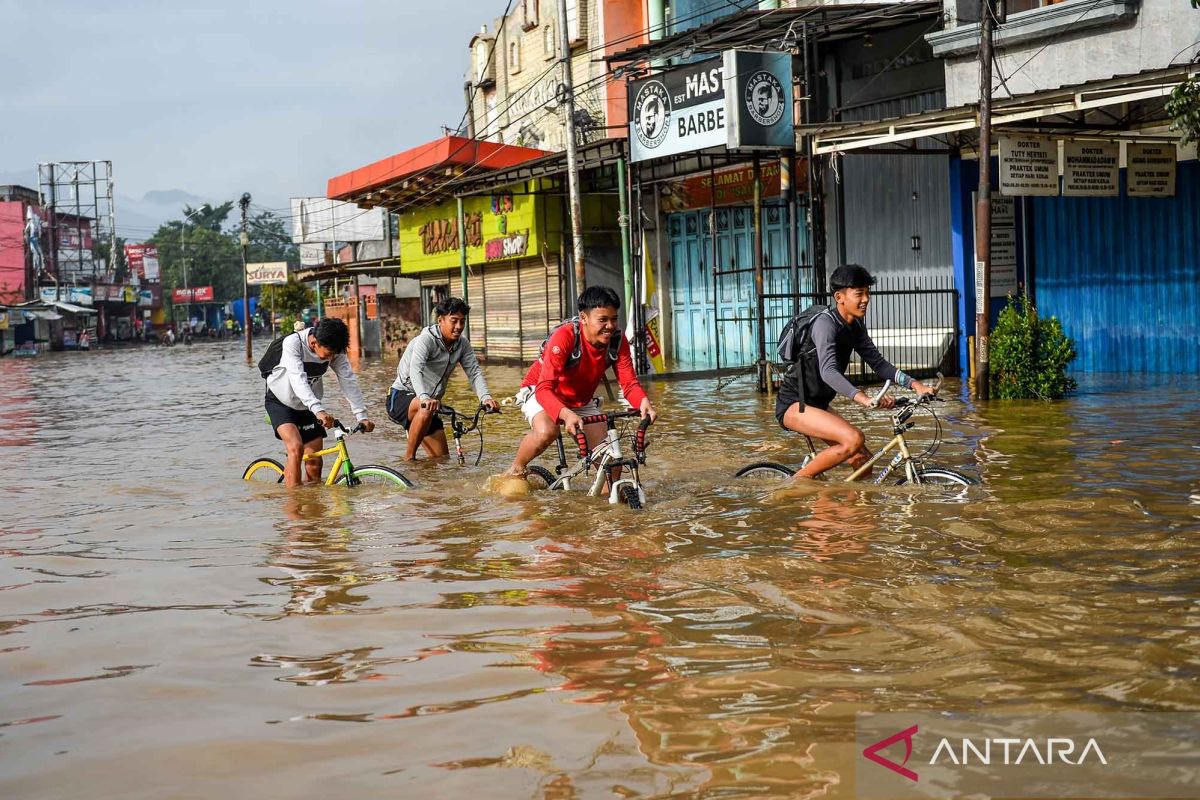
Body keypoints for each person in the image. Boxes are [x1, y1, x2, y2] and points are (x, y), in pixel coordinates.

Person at [776, 264, 936, 481]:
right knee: (854, 439)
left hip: (818, 404)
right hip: (797, 403)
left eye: (868, 293)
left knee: (864, 461)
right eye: (859, 294)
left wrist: (916, 385)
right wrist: (863, 398)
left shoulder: (856, 325)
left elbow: (879, 364)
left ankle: (845, 503)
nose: (866, 299)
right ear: (839, 297)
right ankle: (790, 487)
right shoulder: (825, 324)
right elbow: (828, 371)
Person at [505, 286, 657, 480]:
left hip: (580, 400)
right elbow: (544, 389)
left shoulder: (618, 341)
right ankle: (515, 471)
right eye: (602, 320)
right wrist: (565, 414)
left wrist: (643, 402)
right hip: (541, 391)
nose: (610, 326)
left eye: (614, 319)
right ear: (584, 318)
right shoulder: (565, 337)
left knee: (612, 464)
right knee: (546, 432)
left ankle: (609, 498)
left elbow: (629, 383)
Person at [264, 317, 375, 487]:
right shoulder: (293, 343)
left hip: (308, 406)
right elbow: (298, 380)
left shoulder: (335, 352)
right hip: (281, 402)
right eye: (329, 354)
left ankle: (312, 503)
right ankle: (293, 501)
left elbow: (348, 381)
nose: (331, 357)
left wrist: (362, 416)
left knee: (314, 465)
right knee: (296, 448)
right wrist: (319, 410)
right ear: (314, 343)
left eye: (335, 354)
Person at [387, 297, 498, 461]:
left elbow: (474, 373)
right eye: (454, 321)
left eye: (462, 321)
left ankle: (418, 476)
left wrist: (485, 398)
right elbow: (415, 369)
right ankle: (408, 459)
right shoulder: (426, 339)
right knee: (425, 409)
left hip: (430, 405)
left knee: (441, 461)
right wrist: (424, 397)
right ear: (440, 320)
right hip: (402, 396)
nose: (459, 326)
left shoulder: (462, 345)